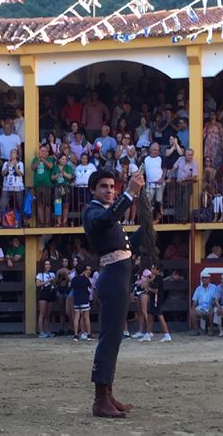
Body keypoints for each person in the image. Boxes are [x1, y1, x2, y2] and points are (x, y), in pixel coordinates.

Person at [83, 169, 145, 418]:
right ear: (93, 190)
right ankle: (100, 400)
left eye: (112, 186)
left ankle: (106, 394)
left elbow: (128, 247)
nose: (110, 190)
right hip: (113, 280)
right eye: (104, 187)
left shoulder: (106, 214)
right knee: (110, 337)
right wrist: (129, 193)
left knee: (114, 337)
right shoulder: (93, 212)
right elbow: (107, 220)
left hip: (118, 278)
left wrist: (150, 223)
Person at [147, 262, 171, 342]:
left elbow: (156, 290)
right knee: (150, 316)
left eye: (154, 269)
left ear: (158, 270)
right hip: (154, 299)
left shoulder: (158, 278)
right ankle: (148, 334)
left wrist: (148, 288)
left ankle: (167, 334)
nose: (152, 270)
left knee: (160, 316)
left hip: (157, 299)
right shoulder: (155, 278)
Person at [31, 145, 55, 227]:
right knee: (39, 204)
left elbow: (50, 166)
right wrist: (38, 161)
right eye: (41, 151)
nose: (42, 152)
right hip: (37, 185)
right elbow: (32, 168)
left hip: (47, 185)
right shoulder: (35, 159)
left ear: (48, 152)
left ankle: (47, 222)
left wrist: (43, 160)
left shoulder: (50, 159)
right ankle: (41, 222)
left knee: (47, 204)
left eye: (44, 151)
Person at [190, 271, 217, 336]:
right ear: (201, 279)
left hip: (210, 306)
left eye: (206, 278)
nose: (205, 279)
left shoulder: (213, 287)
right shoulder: (198, 289)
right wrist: (193, 307)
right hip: (201, 307)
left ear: (209, 279)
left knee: (211, 311)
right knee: (192, 312)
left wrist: (211, 306)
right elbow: (195, 300)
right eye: (203, 278)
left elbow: (215, 299)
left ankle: (211, 330)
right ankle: (196, 330)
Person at [71, 263, 93, 342]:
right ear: (83, 271)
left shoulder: (74, 279)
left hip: (77, 299)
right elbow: (91, 286)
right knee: (86, 317)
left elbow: (72, 286)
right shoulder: (85, 279)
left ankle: (76, 334)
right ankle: (89, 334)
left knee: (77, 317)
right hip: (84, 299)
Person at [36, 259, 56, 338]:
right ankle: (41, 331)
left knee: (48, 314)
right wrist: (48, 280)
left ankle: (47, 330)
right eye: (46, 264)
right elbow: (38, 284)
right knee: (42, 313)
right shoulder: (40, 275)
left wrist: (53, 281)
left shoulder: (52, 274)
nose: (48, 266)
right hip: (43, 293)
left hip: (51, 293)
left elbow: (55, 283)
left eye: (49, 264)